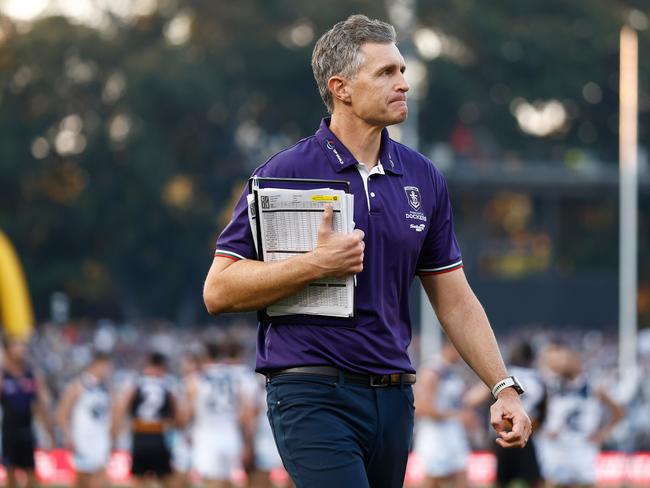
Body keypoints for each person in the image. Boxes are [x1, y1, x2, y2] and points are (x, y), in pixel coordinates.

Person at [203, 14, 531, 487]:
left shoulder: (424, 177)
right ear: (341, 88)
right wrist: (314, 265)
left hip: (394, 395)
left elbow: (455, 298)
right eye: (386, 73)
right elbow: (218, 290)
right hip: (310, 391)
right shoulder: (284, 171)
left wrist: (504, 388)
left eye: (401, 70)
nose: (404, 83)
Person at [539, 343, 625, 488]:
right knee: (553, 482)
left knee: (587, 483)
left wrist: (604, 433)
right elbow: (538, 411)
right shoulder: (549, 384)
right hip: (556, 446)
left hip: (583, 445)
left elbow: (619, 411)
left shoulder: (593, 385)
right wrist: (543, 429)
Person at [182, 340, 256, 488]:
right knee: (227, 482)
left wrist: (186, 432)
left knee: (210, 482)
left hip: (206, 436)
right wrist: (248, 442)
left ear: (204, 356)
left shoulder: (195, 379)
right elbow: (246, 412)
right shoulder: (237, 377)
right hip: (231, 436)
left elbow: (185, 414)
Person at [413, 341, 478, 488]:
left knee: (461, 476)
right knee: (433, 480)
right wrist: (456, 416)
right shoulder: (431, 371)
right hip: (435, 434)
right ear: (449, 347)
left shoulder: (452, 371)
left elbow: (462, 401)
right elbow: (422, 407)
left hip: (453, 432)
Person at [111, 352, 178, 488]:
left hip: (139, 434)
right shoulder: (167, 384)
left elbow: (121, 407)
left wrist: (115, 431)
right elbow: (176, 412)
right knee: (167, 478)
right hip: (159, 435)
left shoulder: (135, 382)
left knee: (137, 479)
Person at [0, 336, 55, 488]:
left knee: (31, 475)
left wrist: (49, 433)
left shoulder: (32, 375)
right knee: (10, 477)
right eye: (17, 346)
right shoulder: (4, 375)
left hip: (27, 432)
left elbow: (43, 405)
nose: (22, 350)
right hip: (8, 433)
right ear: (8, 350)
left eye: (23, 346)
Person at [56, 350, 113, 488]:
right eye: (106, 365)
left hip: (100, 440)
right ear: (97, 364)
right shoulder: (78, 385)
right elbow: (61, 414)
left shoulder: (105, 387)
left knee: (99, 480)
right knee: (84, 481)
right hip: (82, 440)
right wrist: (67, 436)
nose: (109, 369)